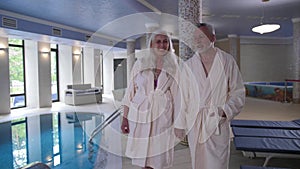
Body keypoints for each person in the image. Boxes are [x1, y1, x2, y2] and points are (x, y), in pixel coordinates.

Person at [184, 23, 246, 169]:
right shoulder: (188, 65)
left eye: (202, 36)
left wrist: (225, 111)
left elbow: (238, 92)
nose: (198, 41)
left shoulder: (227, 61)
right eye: (196, 38)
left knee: (217, 163)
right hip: (196, 122)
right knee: (198, 161)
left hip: (218, 119)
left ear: (213, 38)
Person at [121, 30, 184, 169]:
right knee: (143, 157)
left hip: (162, 114)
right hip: (141, 112)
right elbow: (130, 91)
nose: (162, 45)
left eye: (165, 41)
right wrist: (124, 117)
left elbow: (178, 96)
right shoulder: (140, 63)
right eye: (159, 41)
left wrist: (179, 123)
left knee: (158, 158)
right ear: (151, 44)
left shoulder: (173, 67)